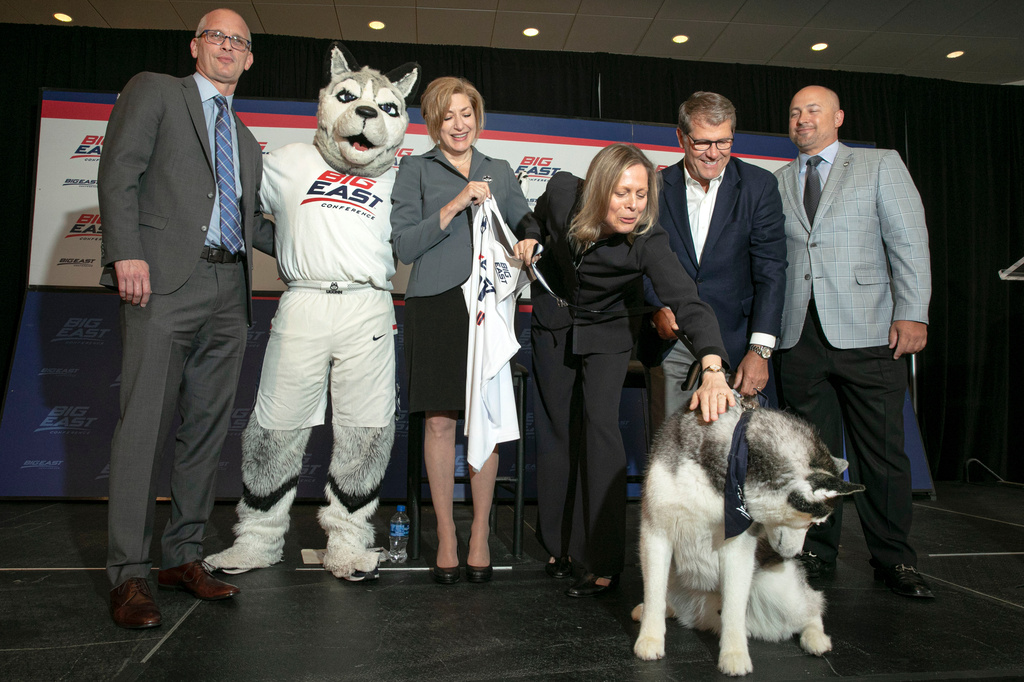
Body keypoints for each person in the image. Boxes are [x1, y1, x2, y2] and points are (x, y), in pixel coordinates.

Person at [98, 8, 274, 628]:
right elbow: (119, 170)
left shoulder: (249, 143)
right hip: (163, 281)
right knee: (143, 428)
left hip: (230, 288)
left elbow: (257, 226)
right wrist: (125, 251)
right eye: (217, 36)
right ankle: (128, 574)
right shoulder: (156, 91)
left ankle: (182, 556)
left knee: (204, 431)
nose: (228, 47)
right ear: (196, 46)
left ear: (250, 59)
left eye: (239, 41)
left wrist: (334, 236)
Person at [517, 143, 733, 597]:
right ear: (598, 190)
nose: (633, 205)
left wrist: (712, 363)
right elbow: (533, 218)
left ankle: (602, 560)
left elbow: (688, 302)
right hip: (554, 322)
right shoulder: (560, 192)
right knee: (557, 430)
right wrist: (531, 237)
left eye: (640, 194)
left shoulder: (648, 240)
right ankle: (558, 545)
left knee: (600, 433)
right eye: (621, 193)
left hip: (608, 330)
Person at [773, 86, 933, 598]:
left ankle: (894, 561)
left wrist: (912, 313)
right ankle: (817, 555)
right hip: (799, 337)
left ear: (838, 117)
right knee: (812, 459)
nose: (802, 119)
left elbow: (909, 239)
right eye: (795, 112)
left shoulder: (880, 164)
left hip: (870, 332)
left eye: (813, 110)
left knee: (882, 454)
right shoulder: (778, 181)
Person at [390, 77, 532, 584]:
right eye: (447, 116)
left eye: (466, 113)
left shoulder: (499, 169)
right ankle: (447, 533)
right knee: (439, 422)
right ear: (433, 122)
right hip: (436, 304)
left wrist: (530, 241)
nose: (458, 124)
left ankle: (479, 534)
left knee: (487, 420)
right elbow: (404, 245)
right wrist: (454, 205)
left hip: (489, 309)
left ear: (478, 116)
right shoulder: (415, 169)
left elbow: (524, 219)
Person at [646, 91, 787, 429]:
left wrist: (760, 351)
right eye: (702, 143)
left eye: (724, 142)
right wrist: (654, 308)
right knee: (677, 458)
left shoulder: (759, 186)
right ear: (680, 137)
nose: (713, 154)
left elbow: (772, 272)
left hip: (738, 346)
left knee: (741, 459)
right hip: (675, 342)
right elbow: (640, 260)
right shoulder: (654, 187)